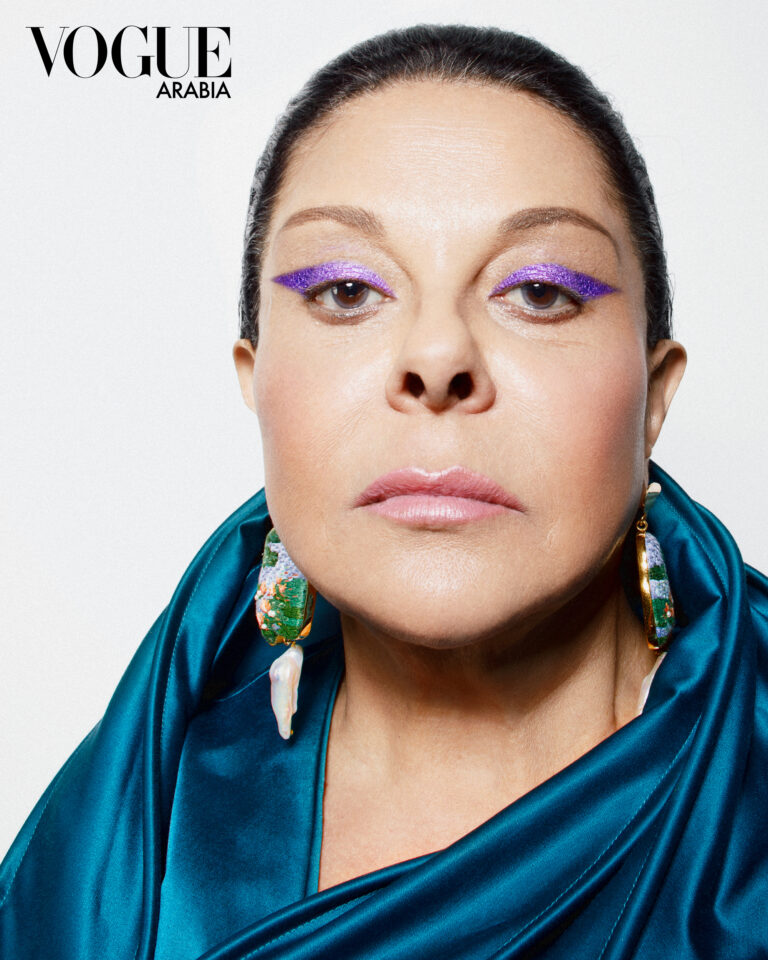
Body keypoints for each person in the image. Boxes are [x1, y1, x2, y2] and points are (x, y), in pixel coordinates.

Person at [1, 23, 766, 960]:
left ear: (655, 395)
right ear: (255, 381)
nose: (437, 358)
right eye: (347, 291)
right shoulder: (130, 849)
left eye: (539, 291)